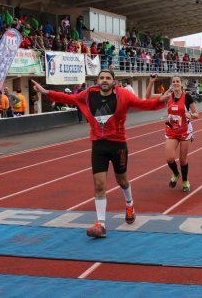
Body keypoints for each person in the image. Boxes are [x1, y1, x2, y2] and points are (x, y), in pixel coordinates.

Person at [31, 70, 170, 238]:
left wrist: (160, 101)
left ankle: (129, 204)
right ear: (97, 81)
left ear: (113, 81)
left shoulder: (123, 95)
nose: (104, 80)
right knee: (99, 185)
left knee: (122, 180)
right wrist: (46, 92)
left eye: (108, 78)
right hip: (98, 145)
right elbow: (69, 99)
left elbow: (142, 104)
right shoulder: (89, 94)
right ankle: (101, 224)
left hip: (118, 145)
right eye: (101, 78)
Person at [146, 75, 199, 192]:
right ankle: (176, 174)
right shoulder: (168, 97)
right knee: (170, 158)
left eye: (177, 81)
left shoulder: (187, 98)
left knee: (183, 159)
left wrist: (191, 115)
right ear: (171, 84)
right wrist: (151, 82)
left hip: (185, 131)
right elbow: (148, 96)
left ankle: (185, 180)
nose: (175, 83)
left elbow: (196, 114)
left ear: (181, 84)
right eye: (173, 81)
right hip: (172, 131)